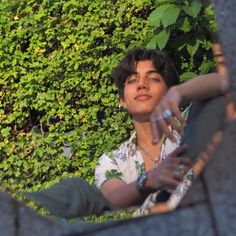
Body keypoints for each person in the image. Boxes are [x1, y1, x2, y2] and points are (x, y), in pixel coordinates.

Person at [94, 49, 227, 210]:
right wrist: (149, 179)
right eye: (132, 80)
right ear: (122, 100)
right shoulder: (112, 160)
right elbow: (112, 197)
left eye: (153, 78)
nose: (142, 85)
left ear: (168, 91)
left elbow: (226, 81)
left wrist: (181, 92)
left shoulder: (191, 125)